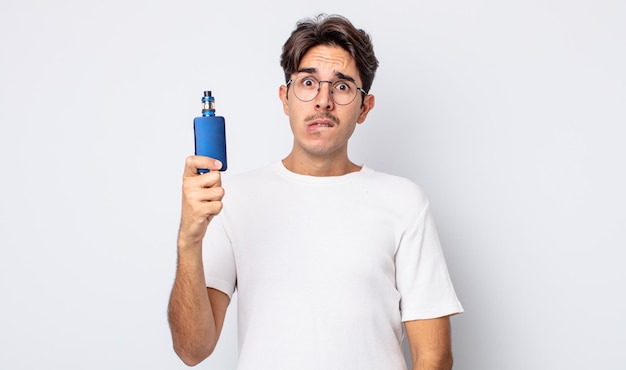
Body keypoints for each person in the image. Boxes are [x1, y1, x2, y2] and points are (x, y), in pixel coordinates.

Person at [168, 14, 463, 370]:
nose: (323, 101)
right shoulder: (232, 201)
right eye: (308, 82)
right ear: (285, 98)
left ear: (364, 108)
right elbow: (192, 349)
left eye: (341, 87)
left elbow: (434, 356)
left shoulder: (404, 203)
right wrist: (188, 239)